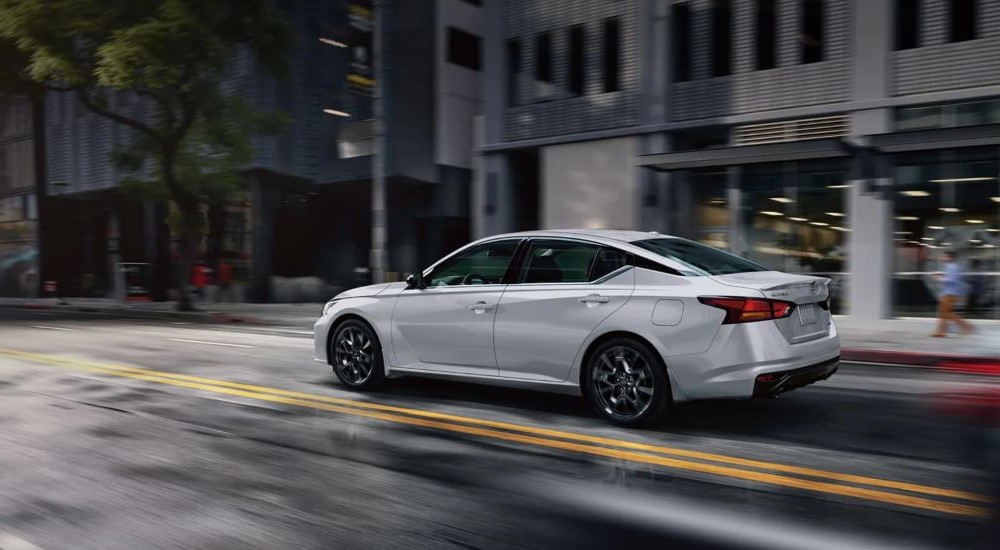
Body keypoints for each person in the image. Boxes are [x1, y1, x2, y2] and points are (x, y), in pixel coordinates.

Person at [932, 251, 973, 337]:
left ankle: (966, 326)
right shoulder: (951, 267)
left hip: (950, 293)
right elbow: (952, 279)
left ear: (951, 258)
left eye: (945, 257)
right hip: (949, 293)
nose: (943, 258)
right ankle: (941, 331)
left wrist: (939, 278)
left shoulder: (953, 267)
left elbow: (951, 280)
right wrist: (942, 276)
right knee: (943, 313)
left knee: (946, 313)